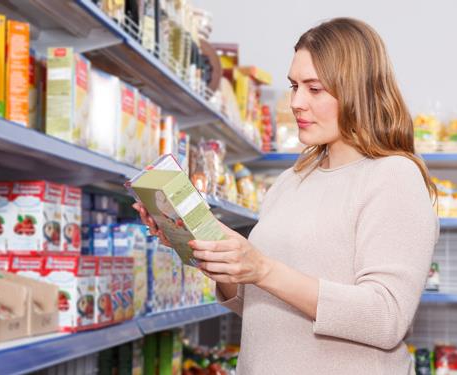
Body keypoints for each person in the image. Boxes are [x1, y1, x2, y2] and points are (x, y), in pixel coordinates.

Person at [134, 17, 439, 374]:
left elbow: (386, 318)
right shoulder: (290, 182)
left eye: (314, 88)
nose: (296, 102)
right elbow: (261, 306)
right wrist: (209, 249)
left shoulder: (392, 177)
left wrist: (262, 269)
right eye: (294, 86)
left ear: (358, 90)